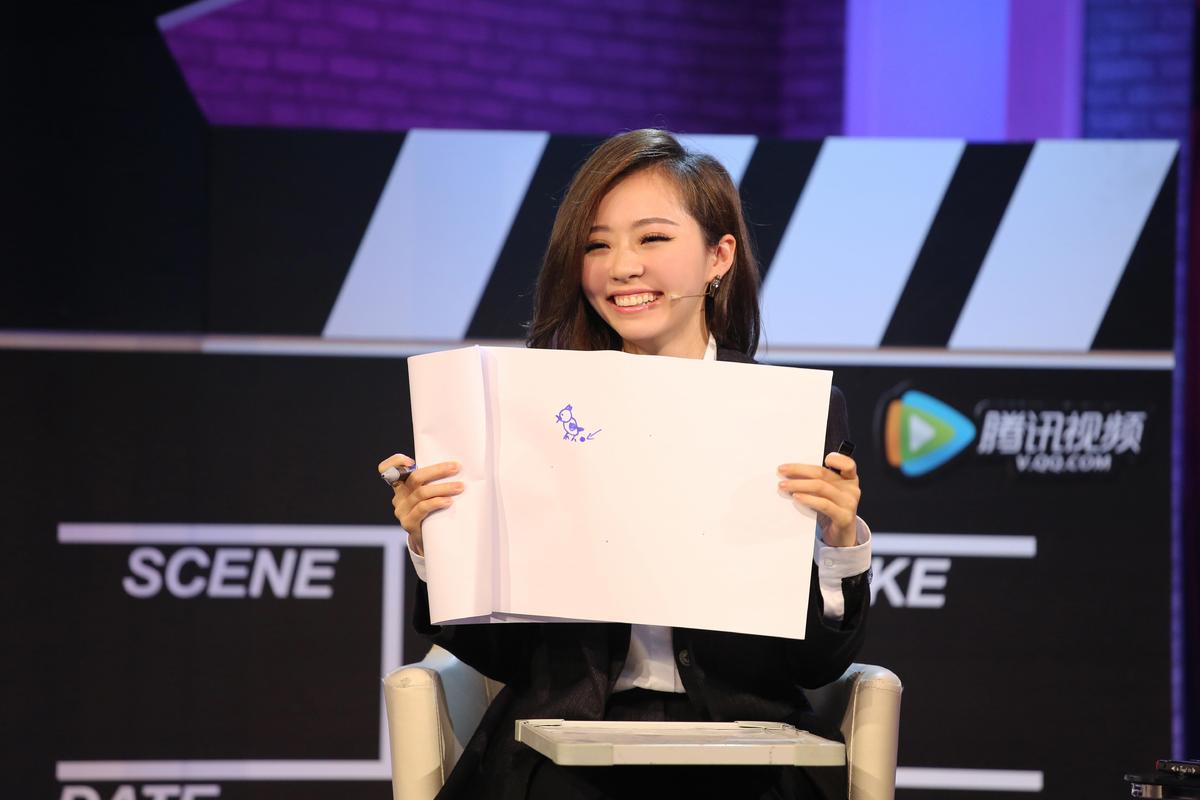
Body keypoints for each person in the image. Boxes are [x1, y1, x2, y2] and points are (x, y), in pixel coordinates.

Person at [379, 129, 871, 800]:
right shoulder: (530, 409)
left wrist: (839, 545)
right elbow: (499, 656)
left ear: (719, 255)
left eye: (652, 239)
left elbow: (815, 664)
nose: (622, 267)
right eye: (597, 245)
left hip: (739, 749)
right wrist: (433, 540)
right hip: (563, 749)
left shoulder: (792, 415)